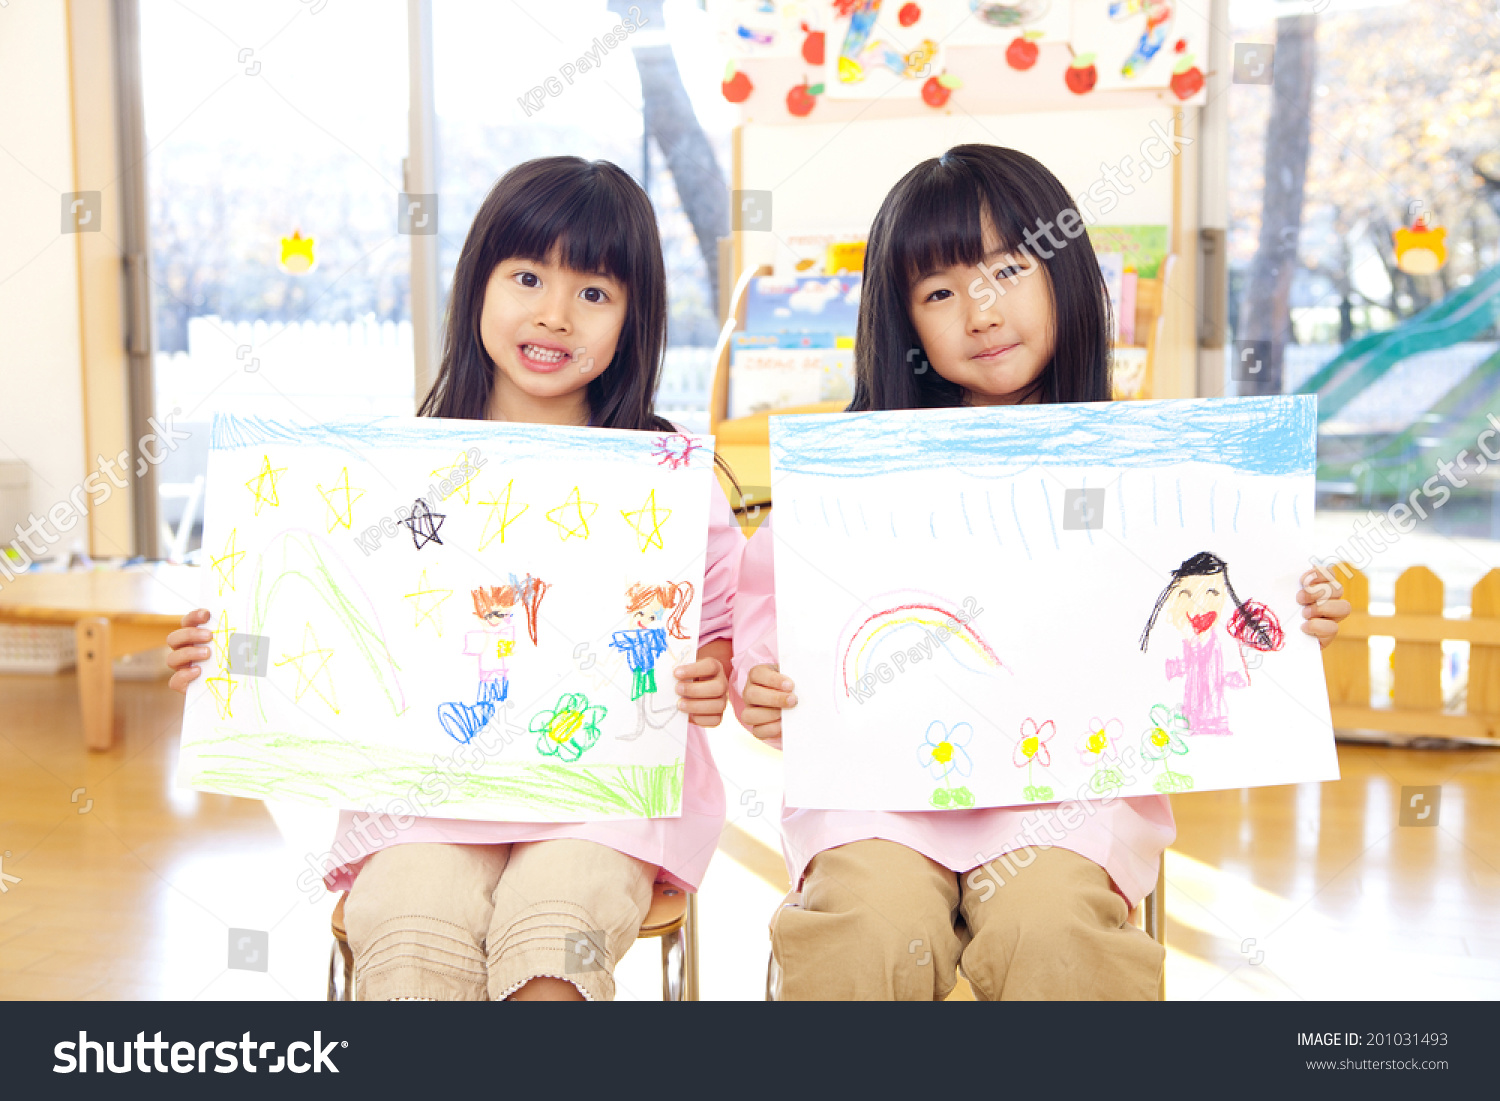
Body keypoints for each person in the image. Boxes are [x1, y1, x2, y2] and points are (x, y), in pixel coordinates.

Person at [734, 144, 1351, 1001]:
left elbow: (1218, 601)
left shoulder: (1148, 468)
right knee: (868, 924)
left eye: (1007, 271)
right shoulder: (851, 473)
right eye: (940, 292)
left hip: (1060, 797)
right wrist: (760, 680)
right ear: (902, 323)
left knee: (1054, 929)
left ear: (1063, 276)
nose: (980, 312)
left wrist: (1293, 601)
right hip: (877, 798)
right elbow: (775, 609)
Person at [167, 157, 742, 1001]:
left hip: (602, 795)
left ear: (634, 319)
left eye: (594, 293)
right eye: (527, 276)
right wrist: (228, 656)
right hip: (423, 797)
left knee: (550, 948)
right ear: (478, 285)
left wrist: (714, 671)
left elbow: (721, 627)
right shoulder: (396, 473)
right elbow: (324, 611)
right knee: (406, 943)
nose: (553, 312)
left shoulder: (667, 474)